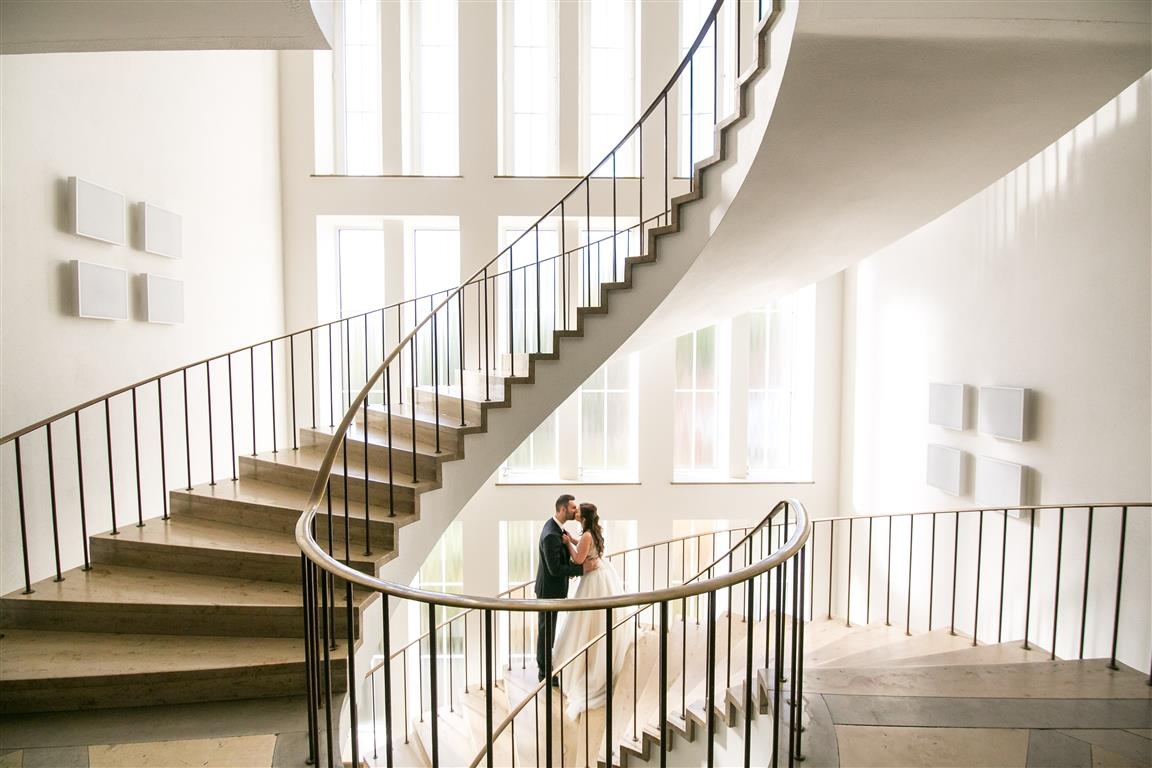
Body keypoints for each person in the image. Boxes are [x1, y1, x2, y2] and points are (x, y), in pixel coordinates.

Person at [552, 502, 631, 719]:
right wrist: (574, 540)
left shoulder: (586, 535)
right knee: (592, 621)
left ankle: (587, 662)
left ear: (584, 516)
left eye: (577, 512)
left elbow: (578, 558)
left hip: (593, 579)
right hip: (601, 573)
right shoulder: (591, 533)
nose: (574, 513)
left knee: (586, 621)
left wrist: (568, 544)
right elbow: (586, 546)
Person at [535, 494, 584, 685]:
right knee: (546, 632)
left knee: (548, 631)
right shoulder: (550, 534)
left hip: (552, 591)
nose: (575, 511)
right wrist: (580, 569)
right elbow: (554, 569)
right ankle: (544, 673)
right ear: (563, 509)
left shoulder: (557, 529)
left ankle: (546, 668)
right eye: (573, 508)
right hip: (548, 592)